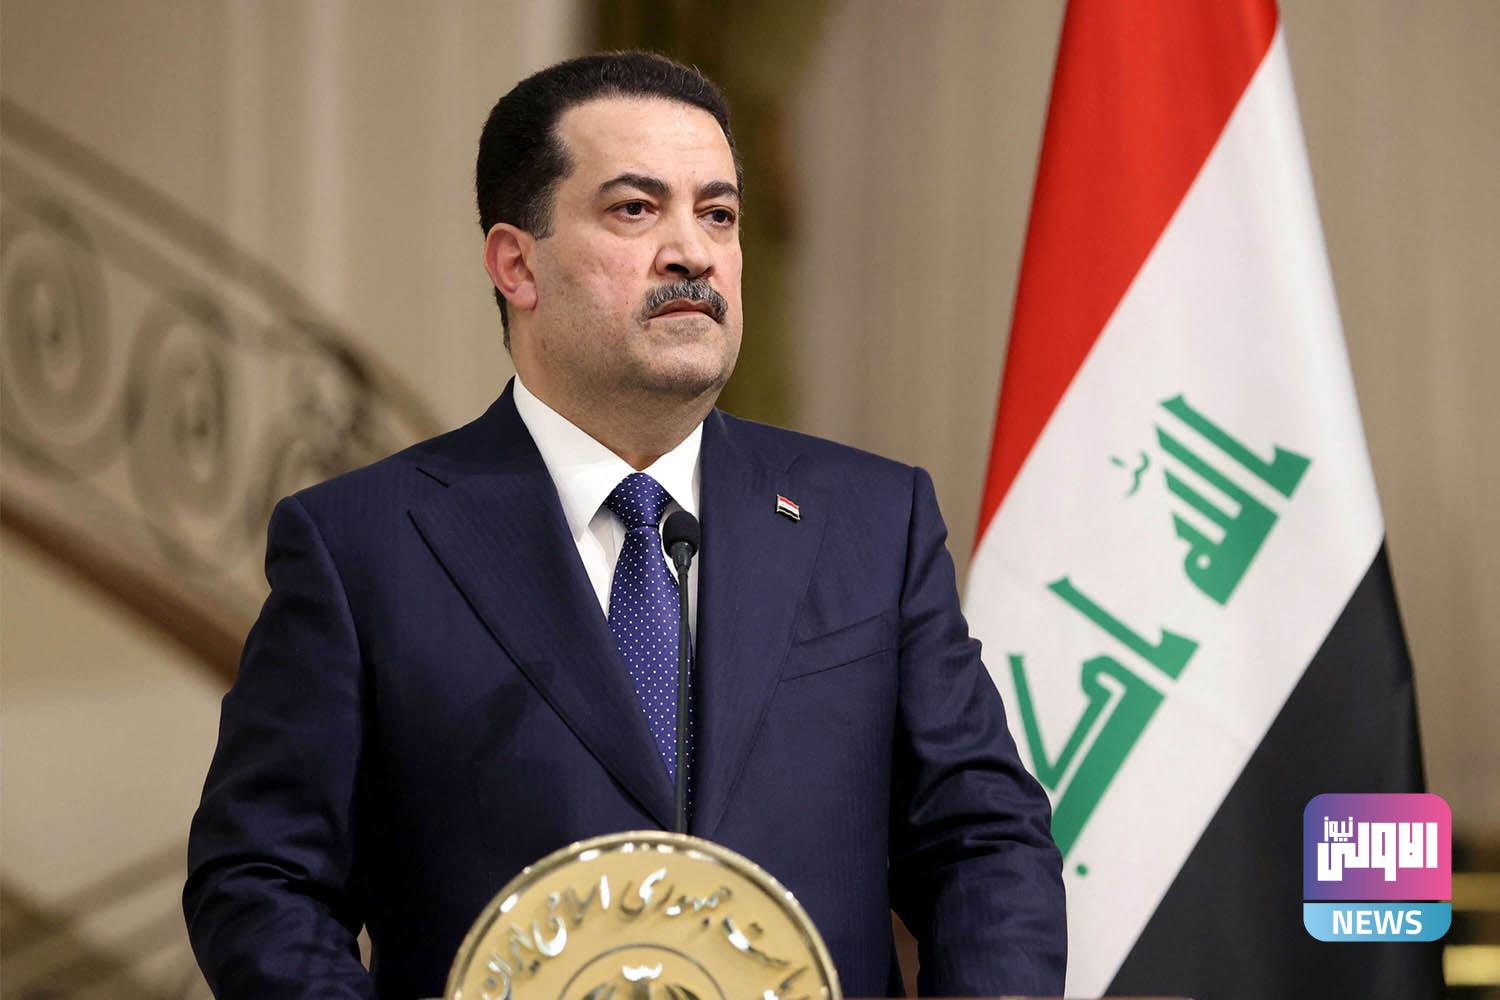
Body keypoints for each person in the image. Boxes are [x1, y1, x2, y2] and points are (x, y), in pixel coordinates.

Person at [184, 51, 1065, 998]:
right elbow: (262, 881)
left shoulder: (873, 521)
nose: (693, 252)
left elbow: (983, 840)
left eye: (718, 215)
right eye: (637, 209)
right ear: (516, 264)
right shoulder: (361, 547)